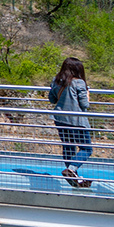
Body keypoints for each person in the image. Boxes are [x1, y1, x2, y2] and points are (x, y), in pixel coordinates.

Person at [48, 57, 94, 187]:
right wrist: (88, 94)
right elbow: (85, 105)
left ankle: (74, 179)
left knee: (68, 148)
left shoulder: (56, 81)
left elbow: (52, 99)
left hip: (60, 119)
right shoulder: (79, 83)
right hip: (77, 121)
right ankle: (72, 170)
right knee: (86, 148)